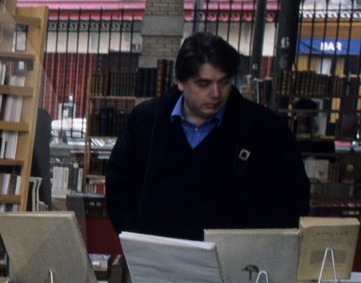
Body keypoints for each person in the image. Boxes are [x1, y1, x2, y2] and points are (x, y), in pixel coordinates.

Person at [105, 32, 309, 240]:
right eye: (204, 84)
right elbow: (118, 185)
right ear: (181, 82)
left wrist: (255, 249)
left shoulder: (264, 129)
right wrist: (136, 240)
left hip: (235, 263)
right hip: (155, 256)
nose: (216, 94)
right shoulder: (146, 121)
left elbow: (291, 199)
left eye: (224, 82)